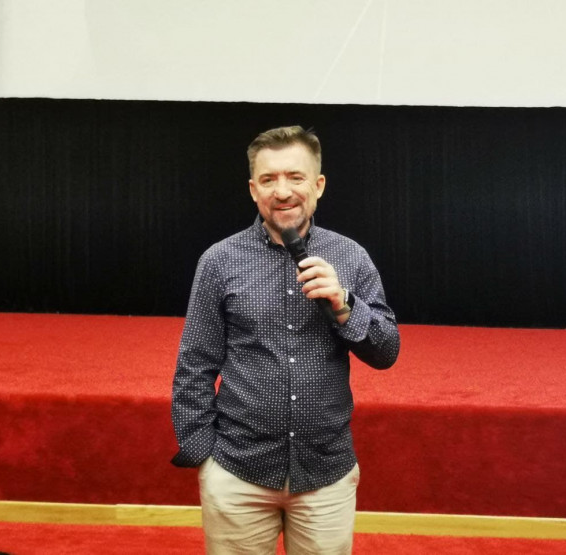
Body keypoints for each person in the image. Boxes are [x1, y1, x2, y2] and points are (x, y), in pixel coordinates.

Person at [171, 125, 400, 554]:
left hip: (326, 476)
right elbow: (194, 365)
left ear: (319, 185)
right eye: (268, 179)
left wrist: (345, 304)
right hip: (237, 473)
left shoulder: (351, 257)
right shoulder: (219, 261)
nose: (282, 191)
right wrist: (204, 456)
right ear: (253, 189)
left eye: (295, 177)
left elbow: (387, 351)